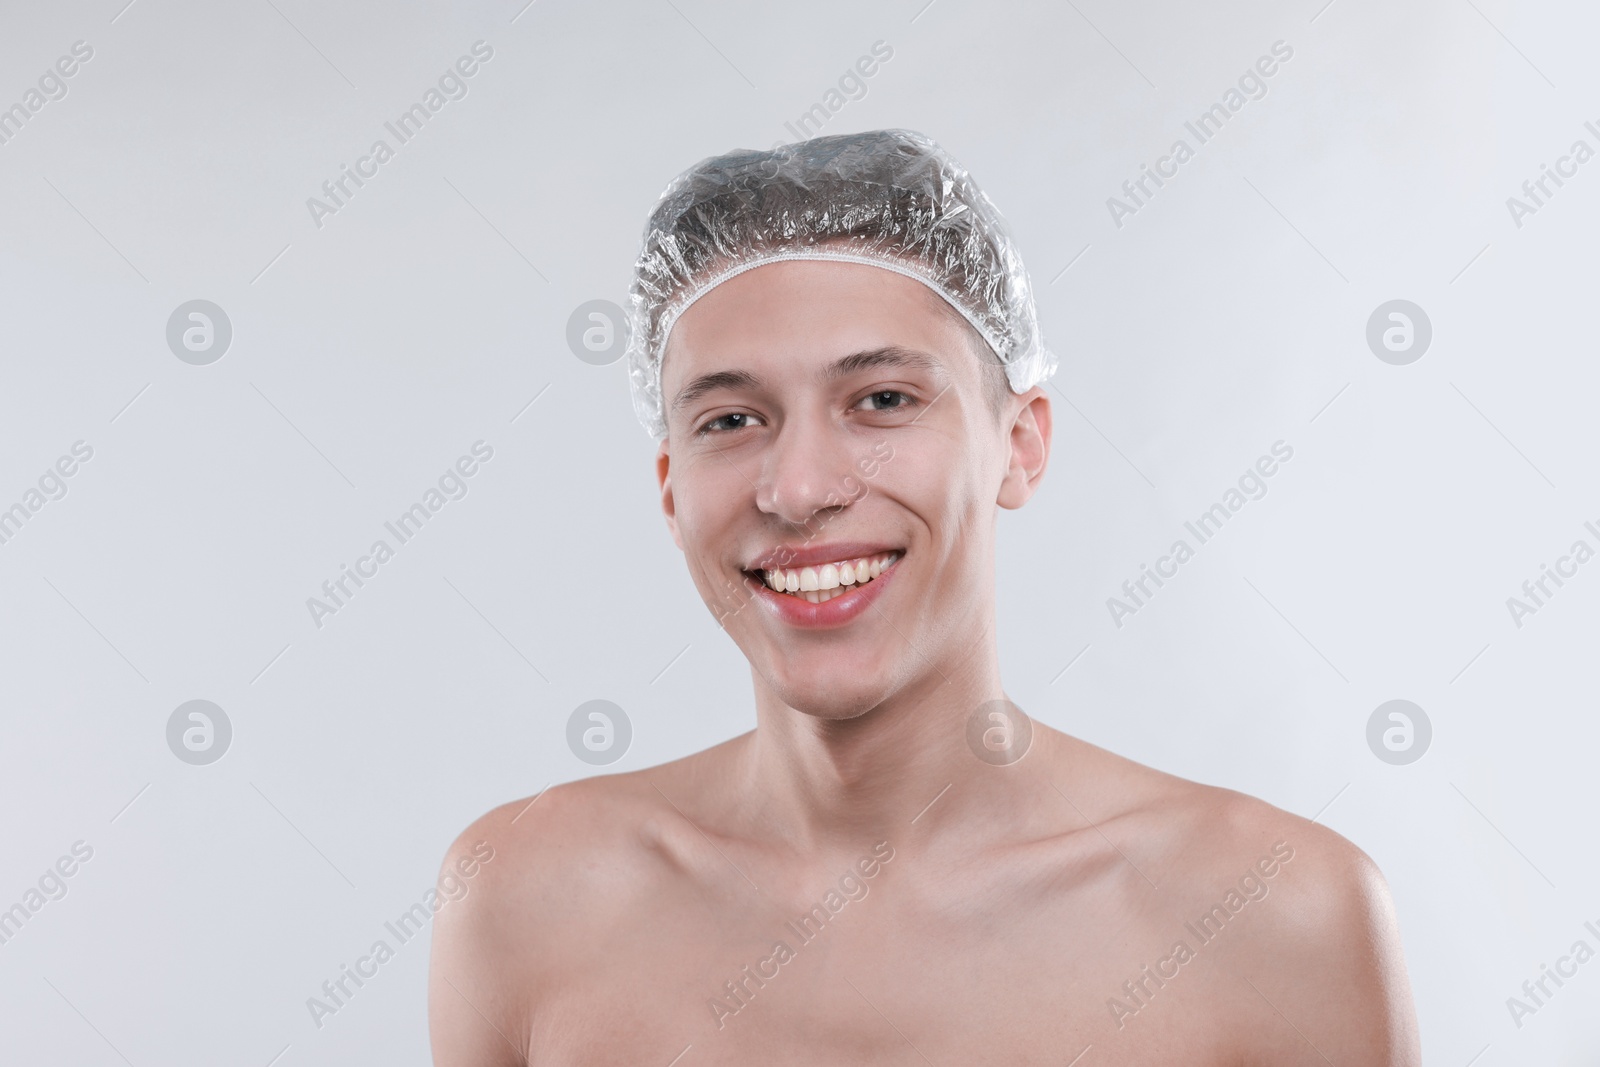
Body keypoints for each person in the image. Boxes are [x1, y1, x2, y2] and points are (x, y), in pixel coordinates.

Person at [428, 129, 1421, 1065]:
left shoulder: (1270, 914)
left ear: (1020, 441)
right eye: (732, 417)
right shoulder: (524, 898)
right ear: (670, 486)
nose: (799, 485)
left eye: (883, 400)